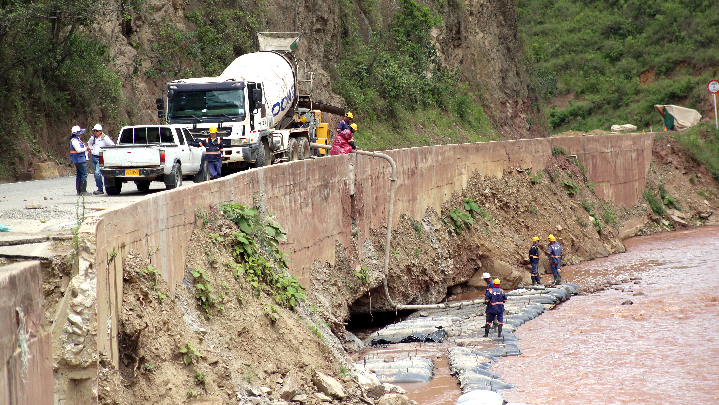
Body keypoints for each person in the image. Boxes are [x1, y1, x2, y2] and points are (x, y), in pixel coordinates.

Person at [87, 124, 115, 194]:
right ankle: (99, 188)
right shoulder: (92, 138)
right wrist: (89, 149)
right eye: (94, 131)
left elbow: (112, 145)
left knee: (97, 173)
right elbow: (88, 144)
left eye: (97, 131)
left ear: (100, 131)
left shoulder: (105, 138)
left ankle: (100, 189)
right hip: (93, 157)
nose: (95, 132)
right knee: (95, 173)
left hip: (100, 157)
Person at [69, 125, 90, 196]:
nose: (81, 134)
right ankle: (83, 190)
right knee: (84, 174)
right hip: (79, 159)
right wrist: (86, 148)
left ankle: (79, 190)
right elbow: (79, 150)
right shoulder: (74, 140)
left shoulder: (77, 140)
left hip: (79, 159)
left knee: (80, 174)